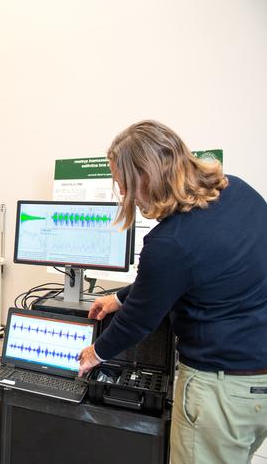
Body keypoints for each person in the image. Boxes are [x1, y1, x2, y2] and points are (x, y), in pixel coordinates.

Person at [78, 120, 267, 464]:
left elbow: (140, 320)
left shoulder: (169, 241)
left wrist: (96, 352)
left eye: (123, 184)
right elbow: (193, 272)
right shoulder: (236, 190)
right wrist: (119, 297)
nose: (123, 195)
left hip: (220, 390)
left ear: (145, 177)